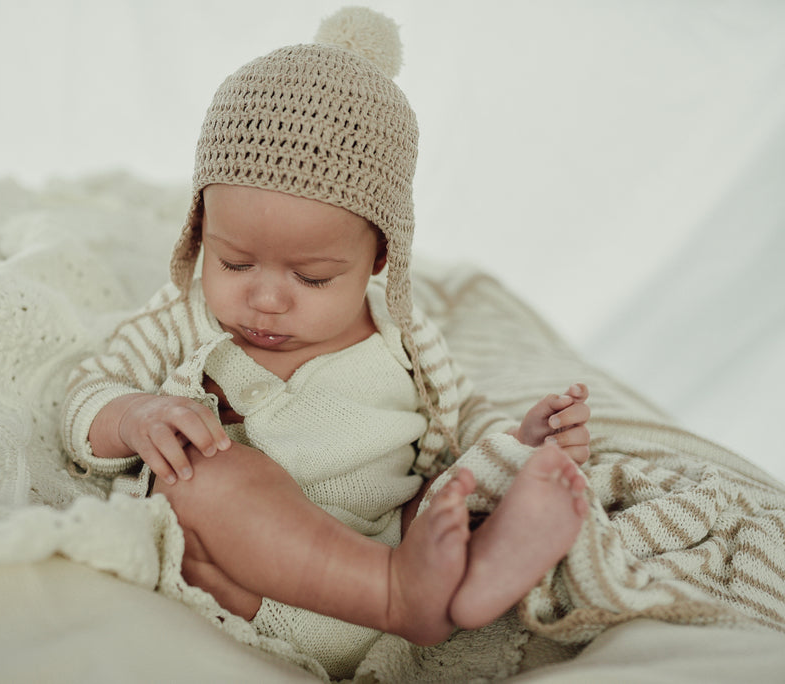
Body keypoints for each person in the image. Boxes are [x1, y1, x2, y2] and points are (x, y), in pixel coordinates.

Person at [62, 7, 590, 678]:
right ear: (200, 230)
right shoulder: (184, 317)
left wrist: (523, 440)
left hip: (387, 554)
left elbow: (459, 421)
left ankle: (476, 570)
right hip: (258, 582)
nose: (267, 298)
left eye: (311, 277)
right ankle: (406, 593)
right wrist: (133, 417)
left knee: (449, 494)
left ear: (379, 260)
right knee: (202, 476)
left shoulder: (408, 335)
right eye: (233, 262)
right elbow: (85, 395)